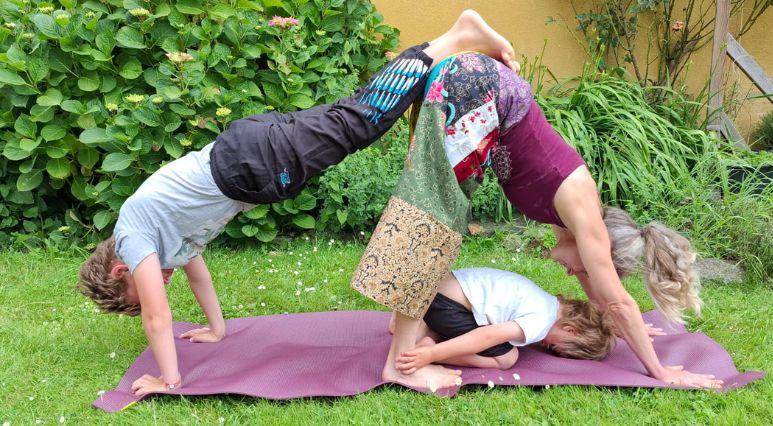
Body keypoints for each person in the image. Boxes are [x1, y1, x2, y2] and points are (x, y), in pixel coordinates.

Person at [77, 11, 519, 396]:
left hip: (249, 164)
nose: (156, 283)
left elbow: (157, 317)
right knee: (356, 119)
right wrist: (217, 329)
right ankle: (440, 48)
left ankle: (453, 38)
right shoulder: (163, 236)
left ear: (122, 270)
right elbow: (198, 276)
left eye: (136, 287)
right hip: (249, 160)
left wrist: (167, 379)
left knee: (359, 122)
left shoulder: (133, 237)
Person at [352, 51, 722, 390]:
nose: (573, 274)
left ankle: (407, 335)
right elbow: (617, 302)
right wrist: (660, 371)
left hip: (472, 83)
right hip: (477, 87)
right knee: (430, 219)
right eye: (593, 268)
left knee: (428, 214)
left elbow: (606, 300)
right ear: (598, 249)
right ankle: (402, 364)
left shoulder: (576, 216)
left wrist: (625, 329)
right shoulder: (585, 216)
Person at [390, 268, 615, 374]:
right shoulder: (541, 322)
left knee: (484, 326)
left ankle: (417, 325)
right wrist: (433, 355)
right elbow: (487, 336)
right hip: (444, 304)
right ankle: (430, 344)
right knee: (507, 358)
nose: (548, 348)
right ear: (571, 330)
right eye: (556, 348)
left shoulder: (547, 302)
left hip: (436, 288)